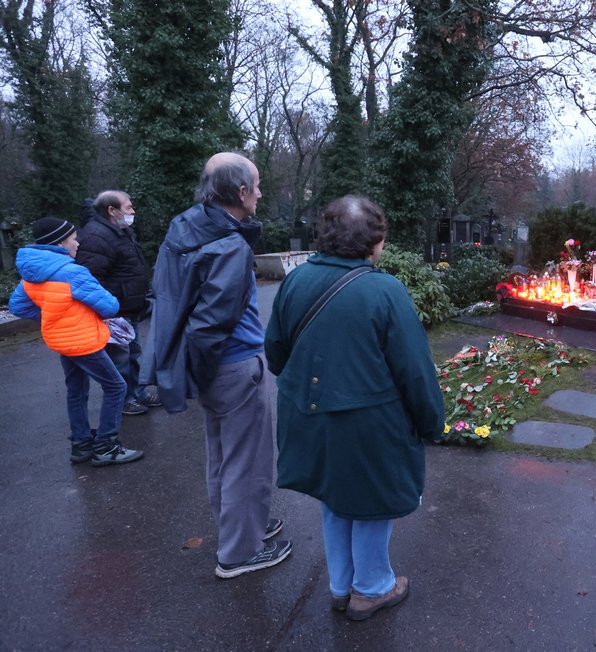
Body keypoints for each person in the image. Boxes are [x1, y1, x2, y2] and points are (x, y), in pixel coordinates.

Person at [265, 195, 444, 621]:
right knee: (372, 502)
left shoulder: (295, 281)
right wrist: (431, 422)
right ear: (373, 240)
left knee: (335, 497)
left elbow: (275, 353)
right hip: (370, 423)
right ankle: (372, 589)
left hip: (311, 417)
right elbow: (415, 371)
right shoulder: (385, 290)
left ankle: (341, 585)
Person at [148, 152, 290, 579]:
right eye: (258, 185)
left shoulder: (186, 226)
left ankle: (241, 526)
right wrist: (208, 366)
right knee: (248, 461)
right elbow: (213, 322)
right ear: (241, 192)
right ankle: (239, 552)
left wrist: (193, 370)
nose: (261, 193)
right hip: (235, 365)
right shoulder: (229, 246)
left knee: (224, 457)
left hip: (211, 367)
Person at [8, 217, 144, 466]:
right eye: (73, 238)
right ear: (60, 241)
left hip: (61, 340)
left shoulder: (32, 273)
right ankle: (106, 445)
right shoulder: (72, 272)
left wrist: (54, 313)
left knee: (76, 390)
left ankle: (81, 444)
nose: (78, 243)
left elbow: (18, 306)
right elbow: (110, 305)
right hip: (83, 340)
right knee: (116, 387)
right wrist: (71, 312)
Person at [76, 191, 159, 416]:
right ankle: (125, 400)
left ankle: (138, 392)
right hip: (114, 310)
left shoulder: (120, 231)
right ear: (112, 211)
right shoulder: (97, 236)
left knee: (132, 353)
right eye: (128, 207)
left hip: (128, 307)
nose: (132, 212)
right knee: (119, 358)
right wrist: (107, 309)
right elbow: (91, 278)